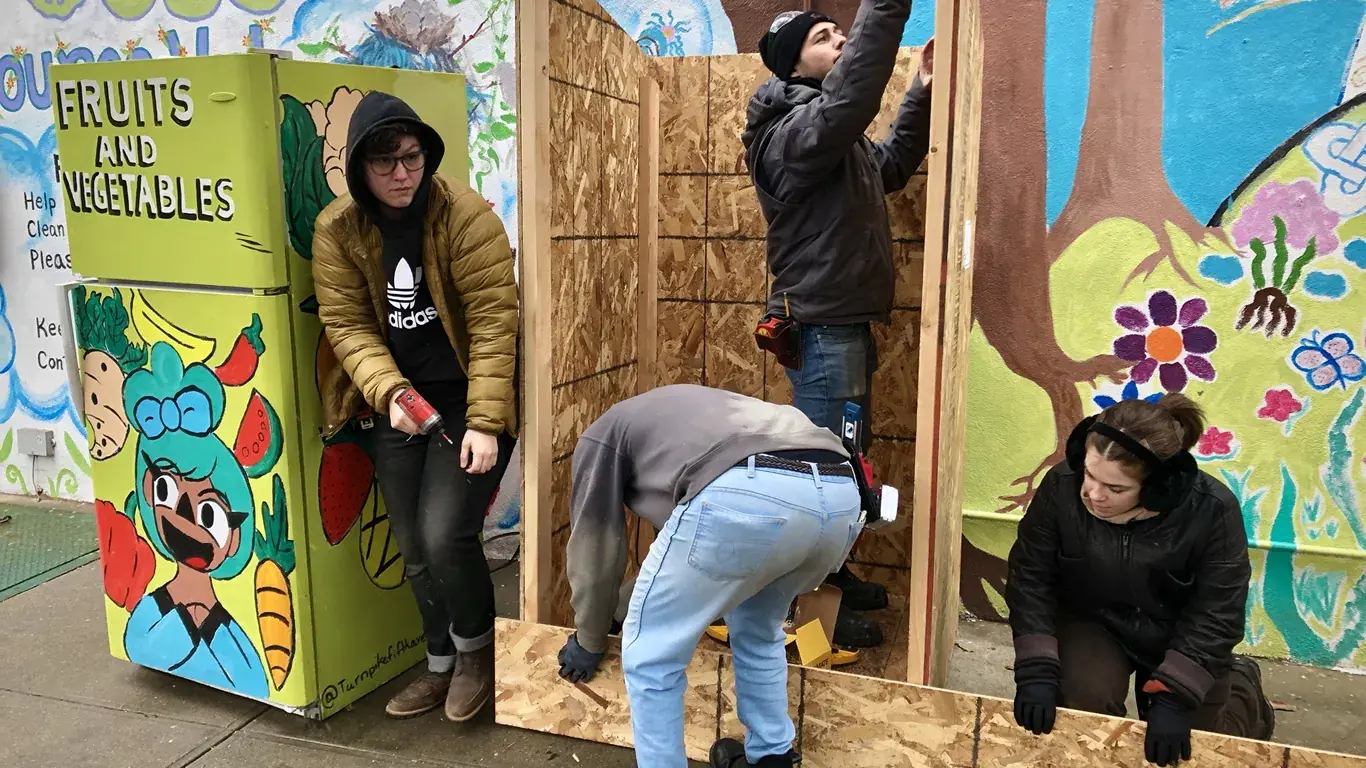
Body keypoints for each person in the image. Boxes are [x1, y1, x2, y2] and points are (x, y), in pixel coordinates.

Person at [312, 91, 518, 722]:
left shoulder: (464, 214)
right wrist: (391, 392)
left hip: (466, 400)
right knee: (412, 545)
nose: (403, 174)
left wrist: (485, 422)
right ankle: (439, 664)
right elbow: (346, 323)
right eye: (386, 163)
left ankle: (477, 656)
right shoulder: (337, 229)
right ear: (360, 171)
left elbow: (493, 320)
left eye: (412, 158)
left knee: (445, 534)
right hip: (399, 401)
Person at [742, 0, 935, 647]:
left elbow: (895, 165)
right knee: (824, 473)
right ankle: (810, 614)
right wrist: (887, 11)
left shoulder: (834, 141)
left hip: (842, 325)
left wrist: (923, 93)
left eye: (842, 32)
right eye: (826, 38)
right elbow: (849, 104)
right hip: (822, 328)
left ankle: (834, 574)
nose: (842, 40)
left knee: (845, 462)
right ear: (794, 62)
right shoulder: (791, 136)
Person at [554, 384, 865, 768]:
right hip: (840, 496)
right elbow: (690, 555)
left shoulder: (601, 439)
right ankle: (772, 757)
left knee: (651, 655)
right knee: (759, 629)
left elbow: (596, 550)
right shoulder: (683, 418)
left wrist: (589, 638)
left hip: (746, 492)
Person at [1006, 395, 1275, 766]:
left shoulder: (1212, 508)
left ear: (1158, 488)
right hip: (1095, 621)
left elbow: (1219, 609)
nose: (1094, 494)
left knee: (1197, 745)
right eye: (1089, 474)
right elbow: (1030, 575)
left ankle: (1244, 693)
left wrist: (1176, 693)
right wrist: (1036, 665)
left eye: (1116, 489)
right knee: (1078, 702)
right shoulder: (1061, 487)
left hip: (1179, 631)